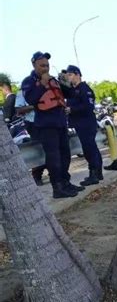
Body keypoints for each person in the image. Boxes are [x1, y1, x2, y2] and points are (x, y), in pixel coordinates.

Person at [21, 52, 83, 198]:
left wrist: (66, 83)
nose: (45, 68)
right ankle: (57, 187)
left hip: (61, 122)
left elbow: (70, 95)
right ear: (34, 65)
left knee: (65, 155)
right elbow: (31, 99)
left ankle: (65, 182)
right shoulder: (28, 81)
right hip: (46, 125)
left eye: (47, 65)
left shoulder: (54, 80)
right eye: (42, 65)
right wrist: (42, 83)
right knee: (54, 157)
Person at [64, 65, 103, 186]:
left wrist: (72, 109)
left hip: (86, 123)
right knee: (91, 148)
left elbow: (88, 106)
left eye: (70, 75)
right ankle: (98, 173)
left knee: (89, 149)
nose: (68, 78)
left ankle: (94, 174)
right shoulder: (73, 90)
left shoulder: (84, 88)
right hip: (80, 123)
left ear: (77, 74)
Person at [15, 89, 45, 185]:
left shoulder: (44, 89)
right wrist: (35, 106)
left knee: (52, 149)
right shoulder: (23, 92)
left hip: (48, 122)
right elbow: (19, 110)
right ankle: (37, 175)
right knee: (39, 149)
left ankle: (54, 173)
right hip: (33, 123)